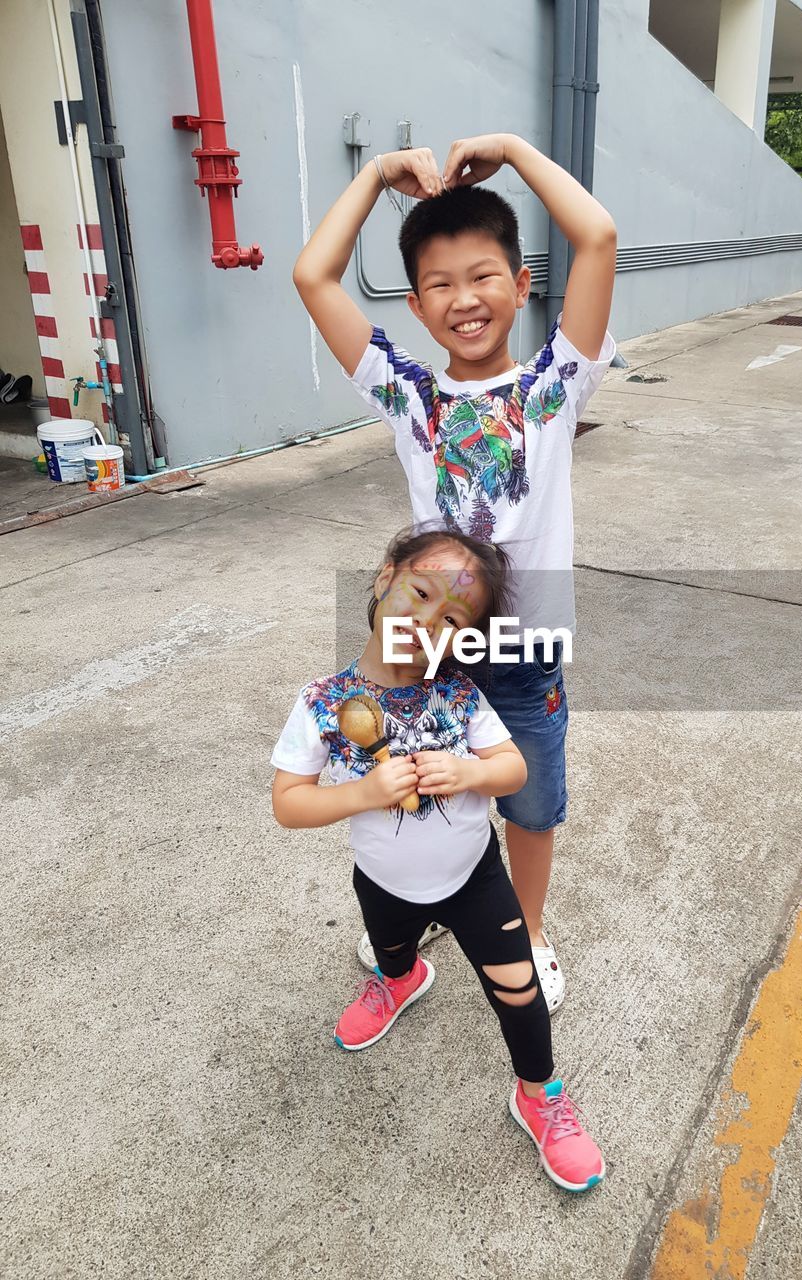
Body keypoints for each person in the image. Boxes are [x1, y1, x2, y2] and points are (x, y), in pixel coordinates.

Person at [293, 132, 617, 1012]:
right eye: (439, 284)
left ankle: (531, 931)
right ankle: (427, 901)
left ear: (520, 287)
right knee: (420, 782)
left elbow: (598, 237)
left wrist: (513, 152)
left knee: (533, 803)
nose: (463, 299)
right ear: (415, 304)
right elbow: (315, 277)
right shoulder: (410, 397)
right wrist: (370, 176)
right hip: (421, 643)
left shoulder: (556, 384)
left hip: (523, 649)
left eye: (483, 277)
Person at [270, 527, 605, 1192]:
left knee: (519, 987)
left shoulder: (457, 695)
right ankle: (400, 979)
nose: (426, 620)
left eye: (451, 618)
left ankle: (538, 1094)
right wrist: (361, 792)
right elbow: (288, 802)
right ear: (383, 576)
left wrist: (468, 772)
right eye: (419, 592)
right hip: (383, 883)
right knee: (391, 951)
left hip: (474, 883)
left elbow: (512, 769)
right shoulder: (323, 702)